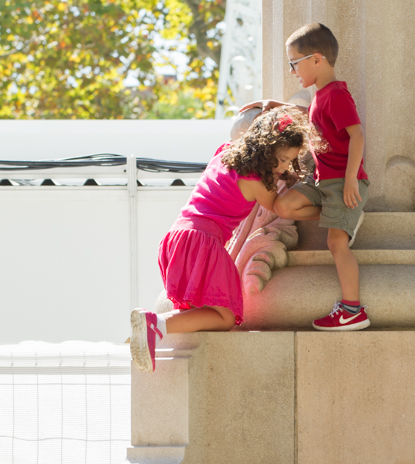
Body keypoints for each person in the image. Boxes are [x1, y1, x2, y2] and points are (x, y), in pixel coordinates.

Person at [129, 107, 309, 372]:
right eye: (281, 159)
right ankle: (155, 323)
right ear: (265, 148)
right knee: (225, 318)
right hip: (203, 241)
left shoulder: (225, 152)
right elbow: (282, 208)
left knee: (199, 311)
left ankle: (153, 328)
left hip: (177, 238)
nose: (284, 167)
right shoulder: (257, 184)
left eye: (289, 161)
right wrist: (326, 212)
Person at [244, 23, 370, 331]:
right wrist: (276, 106)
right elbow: (311, 119)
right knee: (283, 206)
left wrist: (352, 178)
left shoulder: (337, 94)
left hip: (342, 183)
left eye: (294, 63)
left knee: (337, 243)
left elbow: (357, 136)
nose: (291, 70)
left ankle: (353, 310)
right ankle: (342, 217)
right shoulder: (321, 96)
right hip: (321, 183)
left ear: (317, 59)